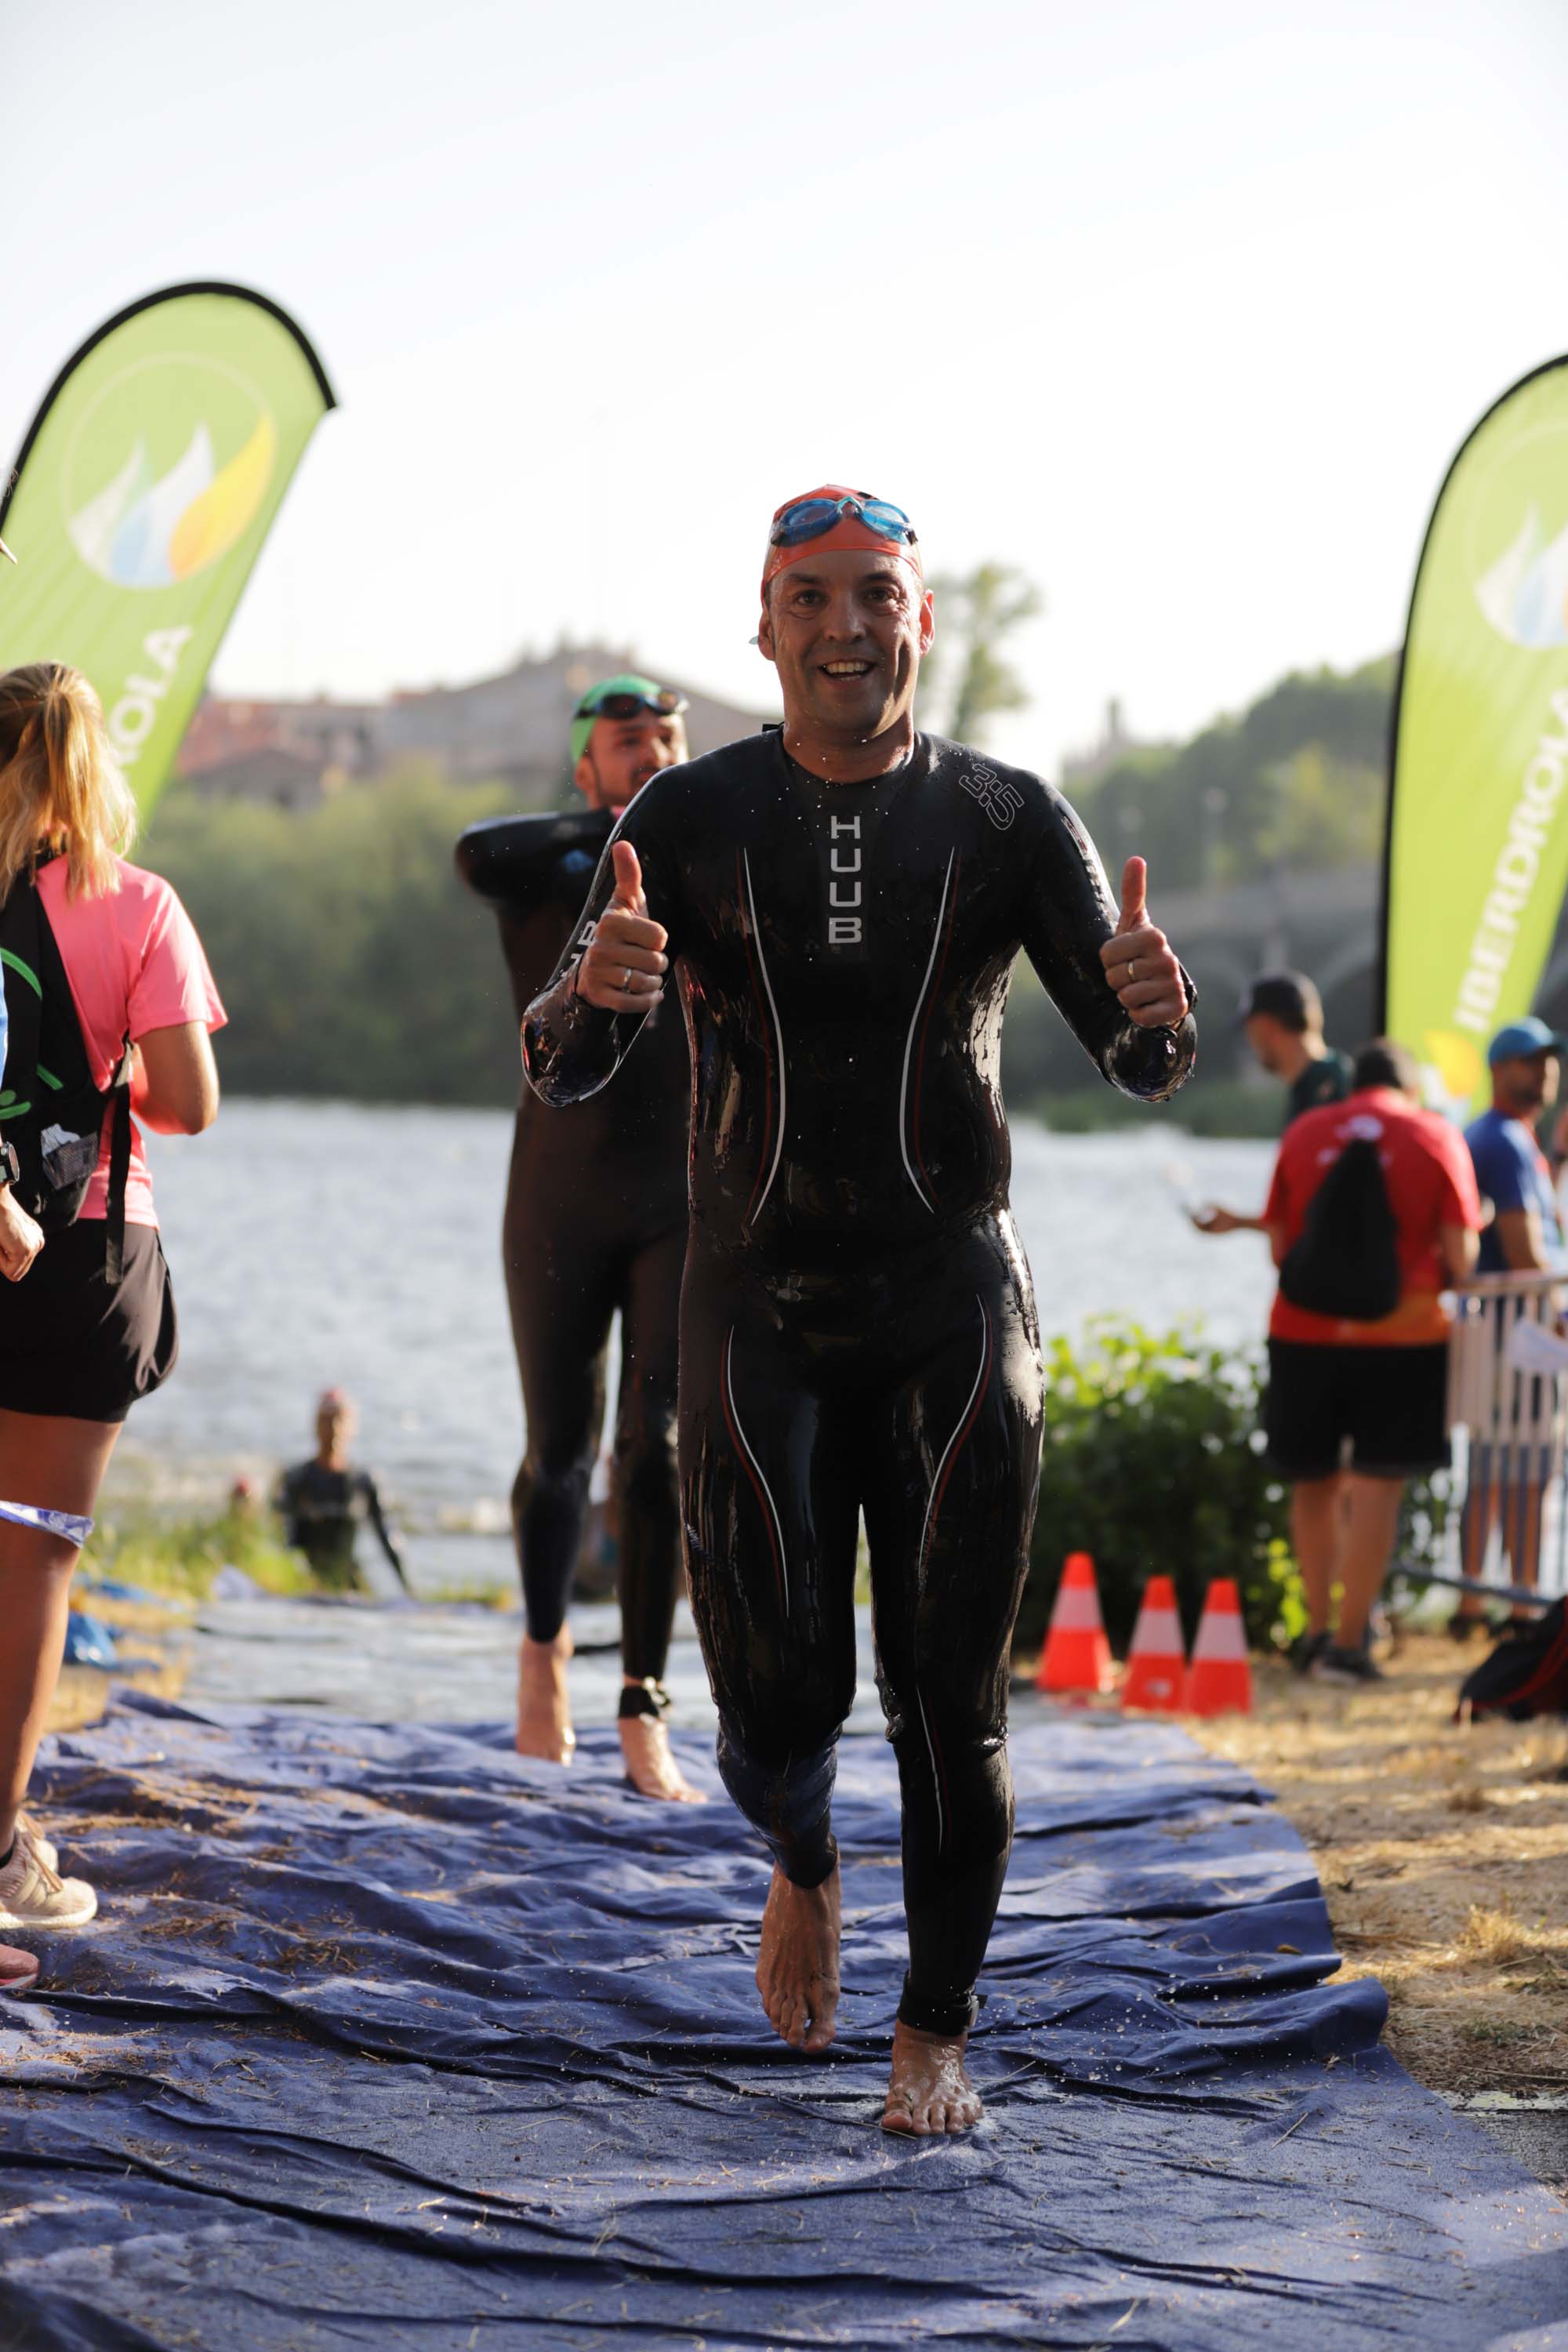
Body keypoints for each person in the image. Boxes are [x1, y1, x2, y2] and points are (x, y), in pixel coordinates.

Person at [522, 486, 1196, 2133]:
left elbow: (1144, 1064)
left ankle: (935, 2037)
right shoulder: (685, 818)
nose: (844, 628)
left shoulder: (1004, 818)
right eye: (809, 598)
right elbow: (565, 1059)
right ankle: (804, 1858)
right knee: (771, 1713)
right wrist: (584, 996)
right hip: (753, 1308)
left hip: (957, 1297)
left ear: (921, 621)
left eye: (875, 597)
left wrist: (1152, 1014)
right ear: (762, 623)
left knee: (950, 1701)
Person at [0, 662, 223, 1987]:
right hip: (80, 1254)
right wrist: (114, 1052)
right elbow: (190, 1101)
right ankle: (1, 1853)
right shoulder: (135, 906)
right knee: (28, 1561)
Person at [456, 676, 703, 1803]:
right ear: (585, 769)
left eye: (665, 740)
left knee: (654, 1448)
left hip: (678, 1199)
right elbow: (474, 848)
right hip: (555, 1197)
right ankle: (542, 1659)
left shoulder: (712, 871)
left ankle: (645, 1702)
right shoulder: (545, 873)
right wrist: (621, 833)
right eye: (626, 743)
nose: (650, 752)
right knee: (558, 1449)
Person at [1261, 1039, 1480, 1684]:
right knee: (1378, 1488)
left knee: (1314, 1483)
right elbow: (1462, 1261)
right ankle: (1351, 1646)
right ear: (1410, 1088)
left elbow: (1280, 1247)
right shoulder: (1435, 1136)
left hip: (1303, 1335)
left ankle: (1315, 1632)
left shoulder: (1305, 1131)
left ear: (1354, 1083)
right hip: (1404, 1341)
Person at [1455, 1018, 1568, 1632]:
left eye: (1550, 1061)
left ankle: (1481, 1599)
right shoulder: (1501, 1139)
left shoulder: (1508, 1137)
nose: (1545, 1071)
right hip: (1519, 1332)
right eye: (1532, 1060)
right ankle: (1517, 1603)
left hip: (1505, 1330)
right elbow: (1525, 1250)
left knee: (1501, 1466)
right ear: (1500, 1070)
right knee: (1522, 1469)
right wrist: (1563, 1315)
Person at [1192, 971, 1352, 1237]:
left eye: (1249, 1029)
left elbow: (1334, 1212)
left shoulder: (1329, 1089)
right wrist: (1238, 1222)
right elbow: (1306, 1212)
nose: (1250, 1040)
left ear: (1265, 1026)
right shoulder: (1327, 1080)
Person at [276, 1388, 408, 1593]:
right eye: (326, 1420)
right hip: (304, 1580)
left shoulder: (364, 1481)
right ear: (316, 1426)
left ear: (352, 1426)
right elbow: (282, 1538)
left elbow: (387, 1538)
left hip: (349, 1584)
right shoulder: (296, 1479)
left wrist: (408, 1591)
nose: (334, 1429)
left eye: (340, 1420)